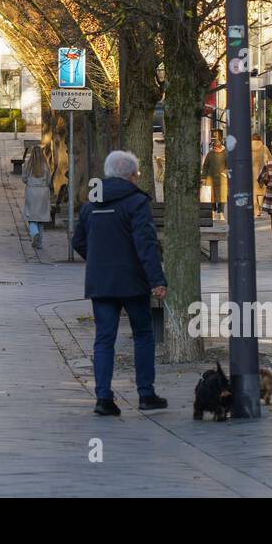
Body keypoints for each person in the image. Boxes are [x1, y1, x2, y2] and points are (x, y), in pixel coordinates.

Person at [72, 150, 169, 416]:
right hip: (133, 282)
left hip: (100, 282)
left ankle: (103, 398)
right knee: (143, 334)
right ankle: (146, 394)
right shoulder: (137, 202)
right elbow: (146, 245)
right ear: (130, 176)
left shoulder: (91, 203)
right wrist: (156, 280)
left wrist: (97, 260)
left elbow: (77, 241)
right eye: (137, 174)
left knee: (104, 339)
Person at [21, 145, 51, 250]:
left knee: (31, 216)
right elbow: (49, 181)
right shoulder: (46, 166)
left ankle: (34, 233)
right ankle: (39, 243)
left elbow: (24, 179)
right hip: (43, 192)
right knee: (41, 218)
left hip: (31, 192)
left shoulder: (27, 165)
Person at [201, 134, 228, 221]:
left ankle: (220, 213)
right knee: (211, 197)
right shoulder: (210, 153)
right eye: (213, 148)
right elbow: (205, 166)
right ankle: (212, 211)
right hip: (210, 178)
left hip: (222, 179)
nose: (214, 149)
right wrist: (203, 177)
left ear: (220, 147)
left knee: (222, 197)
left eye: (215, 148)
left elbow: (229, 165)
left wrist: (225, 173)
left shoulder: (226, 154)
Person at [250, 132, 269, 216]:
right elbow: (270, 159)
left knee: (253, 192)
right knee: (261, 190)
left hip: (250, 173)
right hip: (262, 173)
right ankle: (261, 207)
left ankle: (255, 210)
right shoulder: (264, 148)